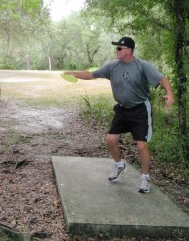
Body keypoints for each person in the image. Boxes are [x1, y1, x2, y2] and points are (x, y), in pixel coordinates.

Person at [65, 36, 174, 193]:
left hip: (140, 109)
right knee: (110, 139)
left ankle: (145, 177)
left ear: (129, 51)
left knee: (141, 145)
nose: (116, 50)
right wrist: (73, 73)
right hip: (122, 110)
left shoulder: (142, 66)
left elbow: (162, 79)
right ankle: (119, 165)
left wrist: (170, 94)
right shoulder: (113, 67)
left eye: (119, 48)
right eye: (116, 48)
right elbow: (91, 75)